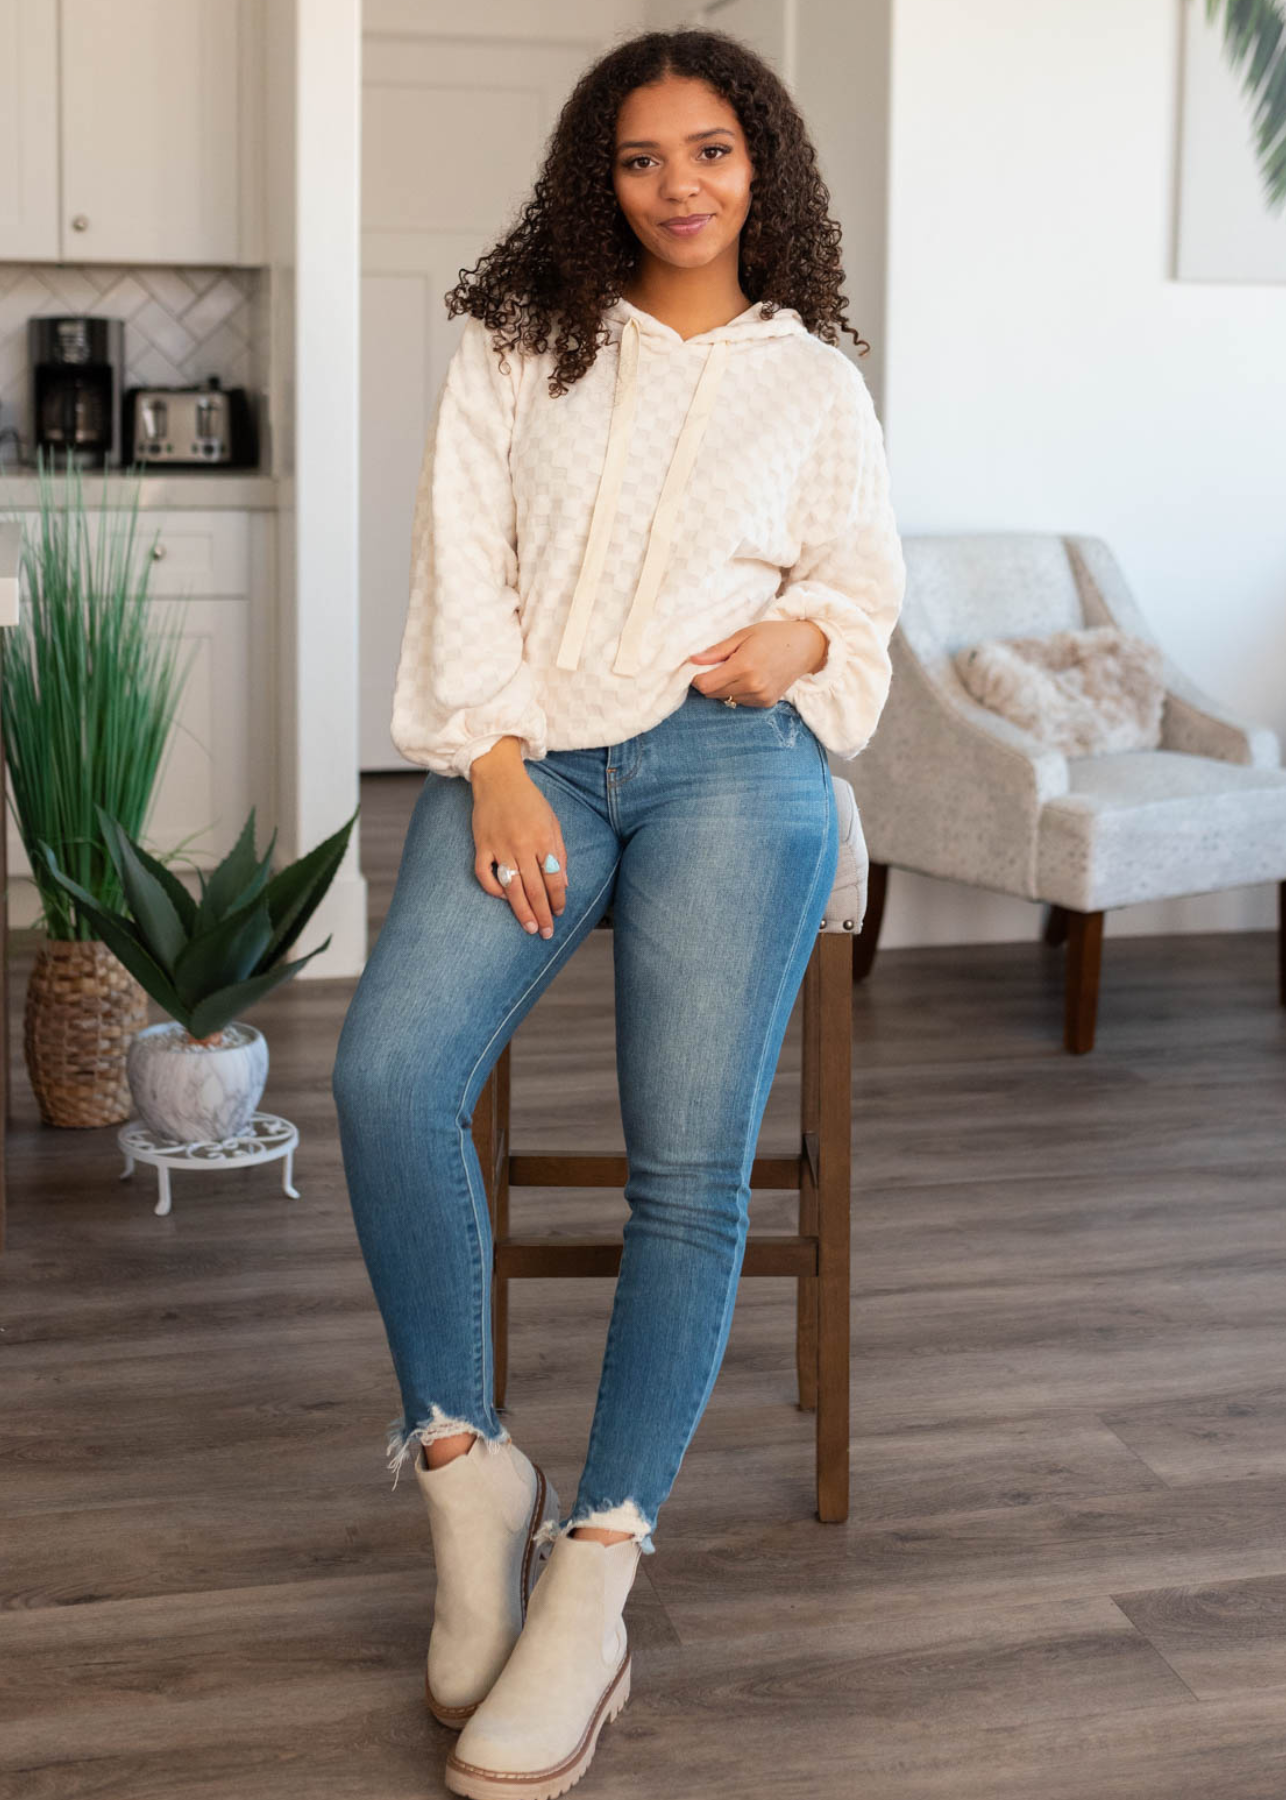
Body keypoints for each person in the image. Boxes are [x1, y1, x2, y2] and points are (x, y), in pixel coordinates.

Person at [330, 26, 905, 1800]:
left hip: (739, 764)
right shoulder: (515, 348)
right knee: (383, 1079)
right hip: (538, 762)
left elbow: (861, 587)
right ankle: (462, 1464)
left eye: (712, 151)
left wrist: (802, 640)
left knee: (689, 1174)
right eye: (644, 155)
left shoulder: (810, 377)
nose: (679, 184)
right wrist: (490, 764)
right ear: (602, 174)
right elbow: (461, 568)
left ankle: (597, 1562)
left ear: (762, 172)